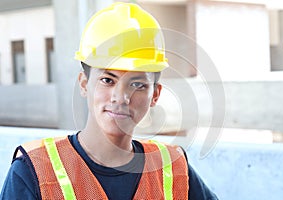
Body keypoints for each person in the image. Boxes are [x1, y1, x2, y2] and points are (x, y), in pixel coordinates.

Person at [0, 2, 218, 200]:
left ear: (155, 95)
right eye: (107, 80)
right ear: (84, 84)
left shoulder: (172, 169)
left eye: (137, 84)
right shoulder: (34, 171)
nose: (121, 97)